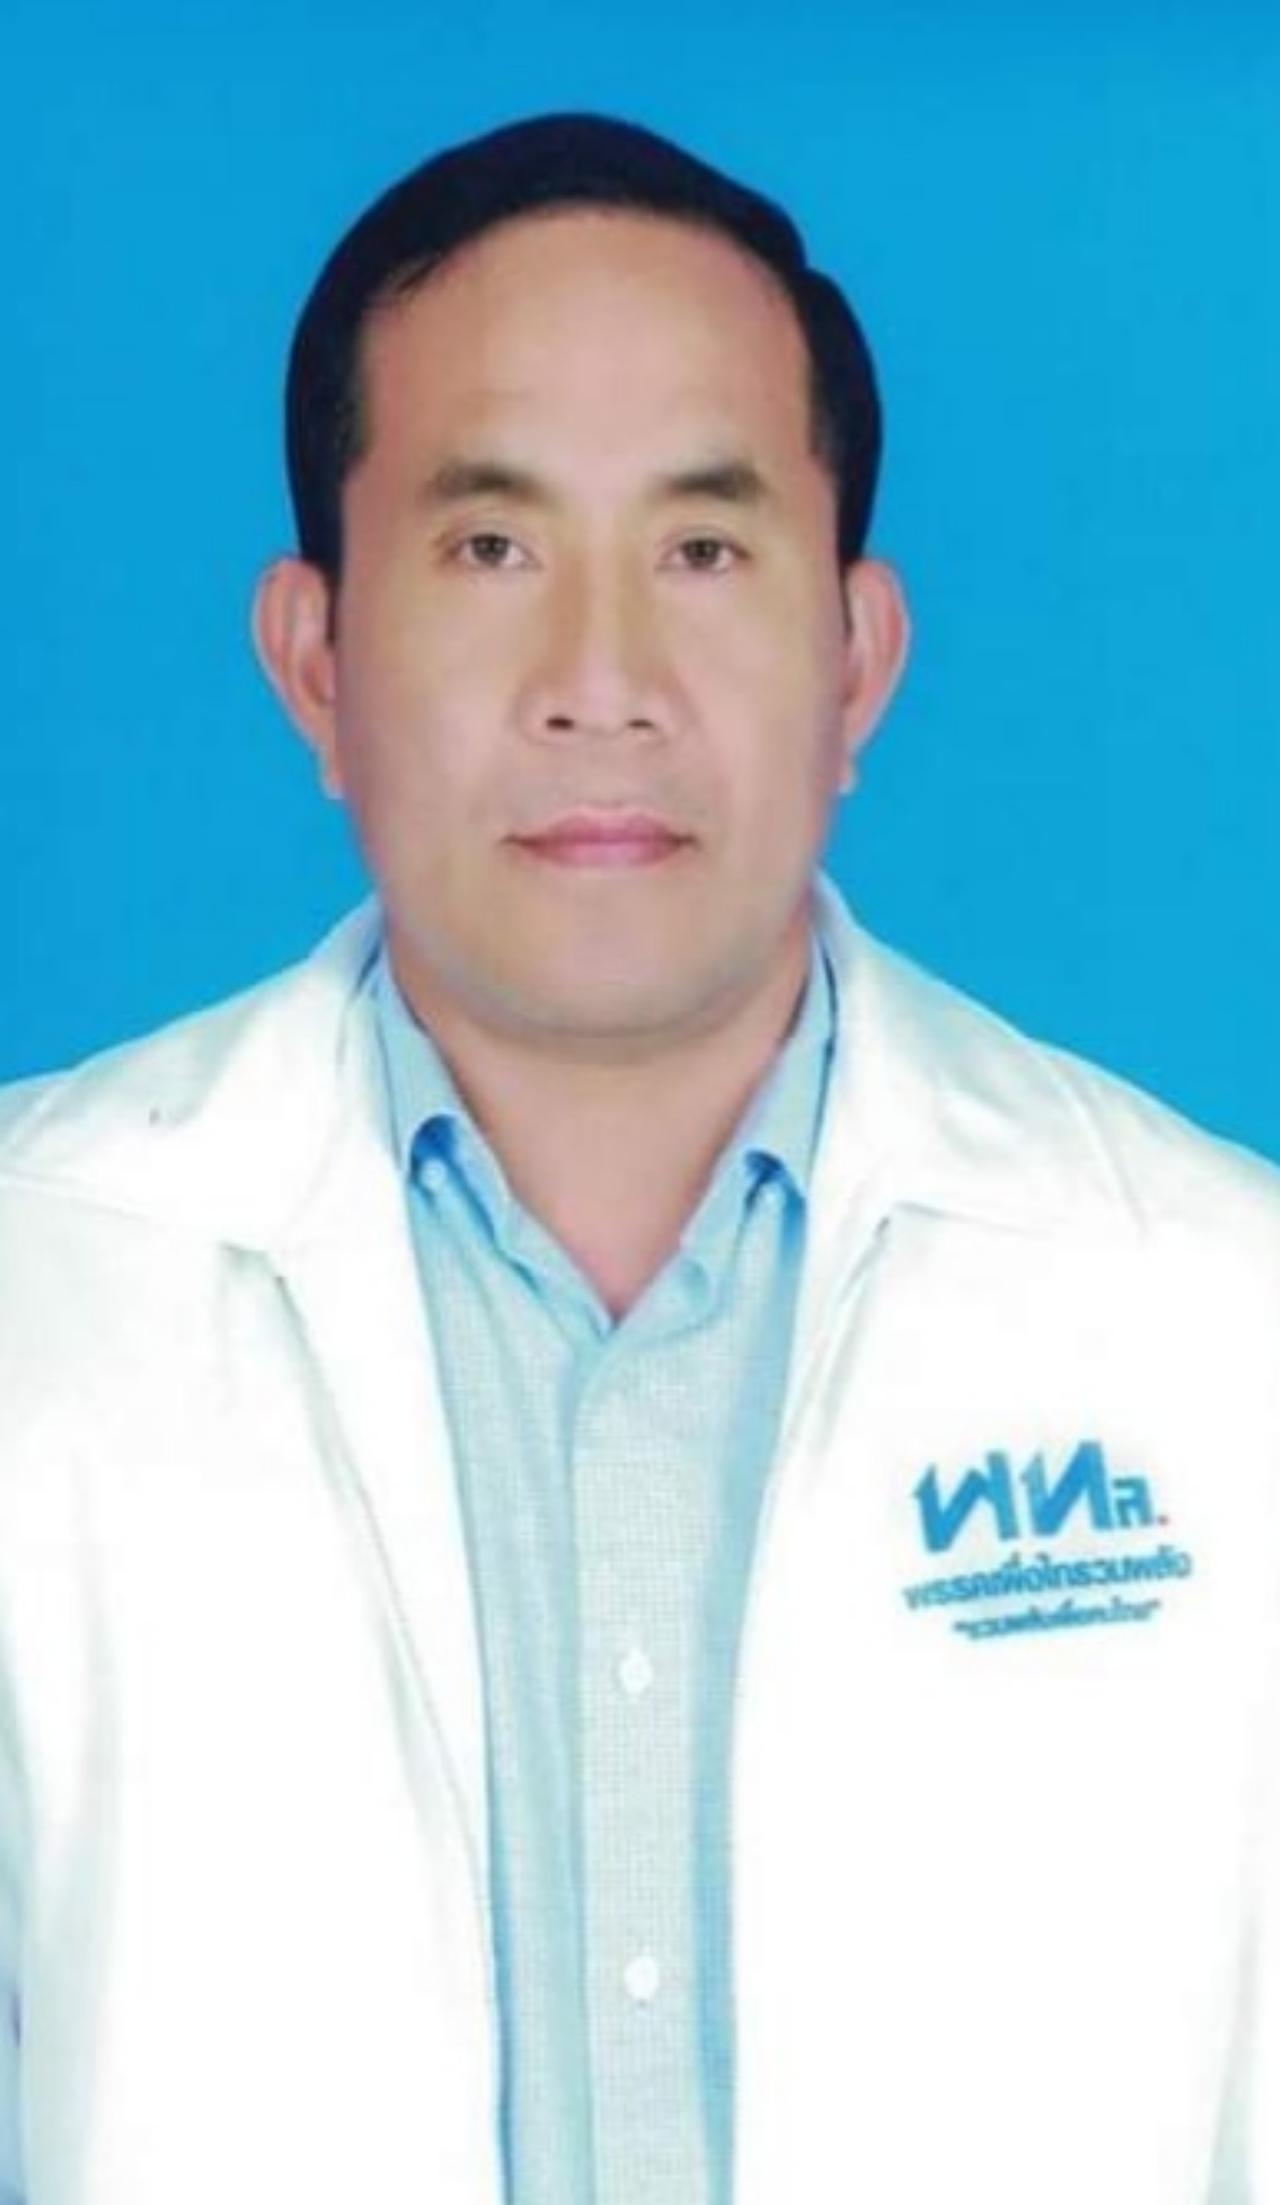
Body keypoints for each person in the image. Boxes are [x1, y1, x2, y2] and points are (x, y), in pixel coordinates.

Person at [1, 109, 1277, 2205]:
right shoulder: (35, 1289)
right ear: (315, 660)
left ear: (855, 655)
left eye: (702, 550)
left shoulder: (1224, 1318)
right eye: (491, 549)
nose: (601, 685)